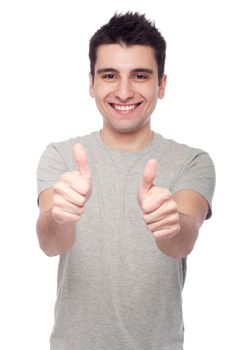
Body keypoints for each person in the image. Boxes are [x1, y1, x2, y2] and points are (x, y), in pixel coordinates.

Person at [36, 11, 215, 350]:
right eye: (109, 75)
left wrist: (170, 224)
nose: (123, 91)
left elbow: (184, 240)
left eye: (140, 76)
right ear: (91, 84)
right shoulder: (60, 156)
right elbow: (50, 243)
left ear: (161, 85)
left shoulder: (192, 161)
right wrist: (60, 218)